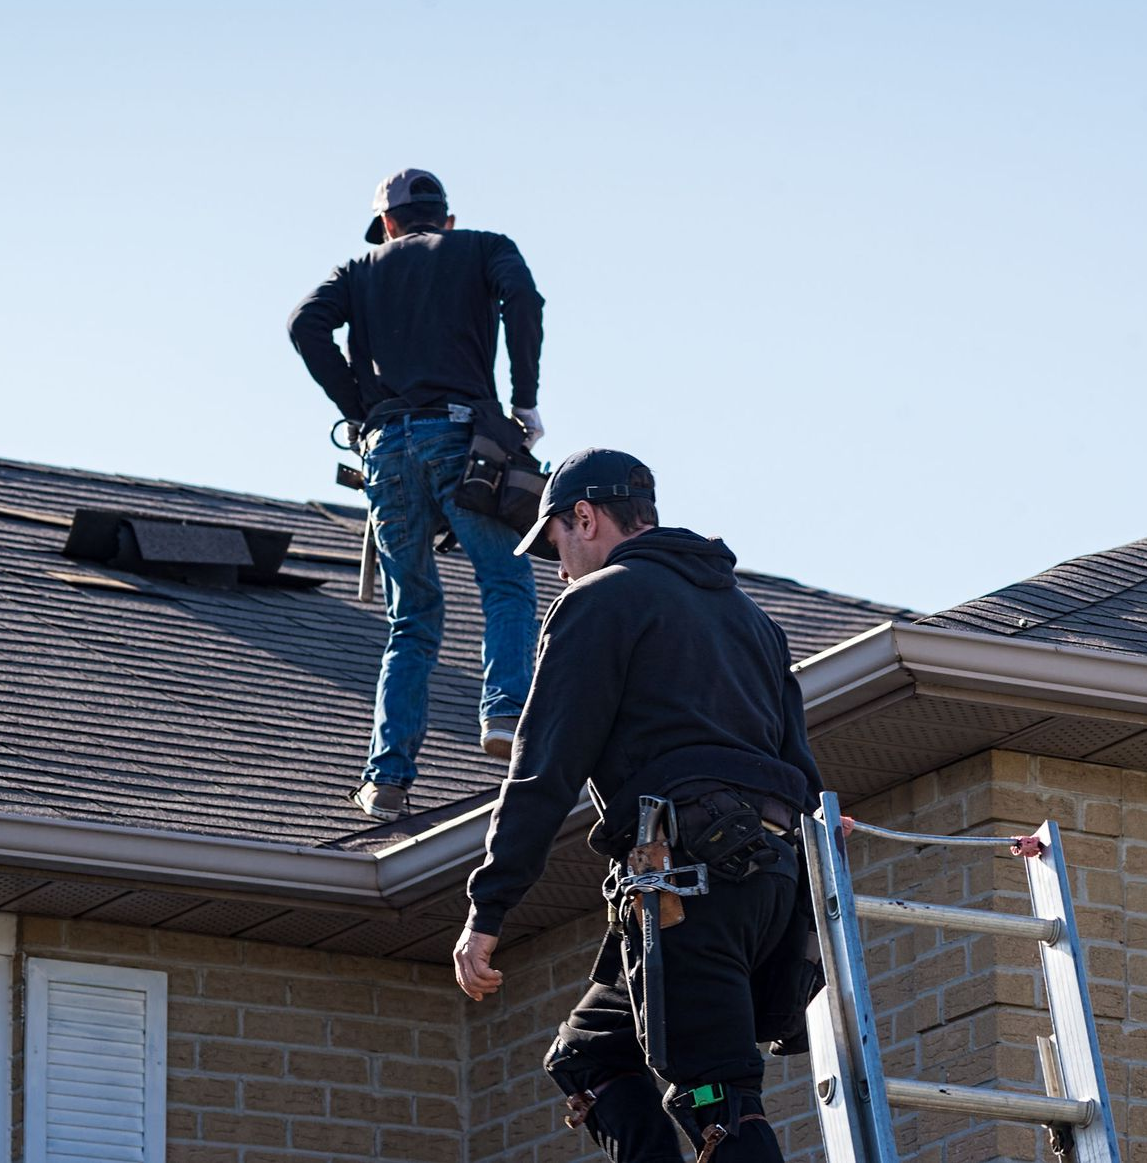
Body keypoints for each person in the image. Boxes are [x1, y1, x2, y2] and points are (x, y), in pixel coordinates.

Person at [452, 448, 822, 1162]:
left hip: (687, 884)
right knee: (590, 1056)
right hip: (765, 883)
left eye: (556, 543)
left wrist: (487, 911)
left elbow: (542, 772)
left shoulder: (597, 603)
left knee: (718, 1101)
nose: (558, 568)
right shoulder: (753, 622)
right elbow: (802, 776)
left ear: (583, 517)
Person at [289, 168, 547, 822]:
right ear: (447, 220)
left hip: (387, 451)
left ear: (390, 225)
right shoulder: (483, 247)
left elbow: (304, 326)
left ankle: (387, 781)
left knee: (412, 618)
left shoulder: (359, 270)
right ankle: (506, 714)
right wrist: (523, 400)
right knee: (507, 582)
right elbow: (524, 300)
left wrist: (360, 406)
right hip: (462, 440)